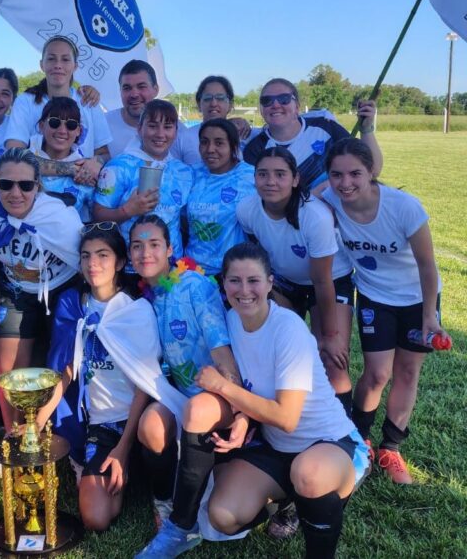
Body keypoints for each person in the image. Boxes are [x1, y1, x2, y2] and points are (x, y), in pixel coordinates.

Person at [140, 242, 370, 558]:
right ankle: (288, 501)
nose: (244, 290)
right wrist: (243, 417)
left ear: (270, 283)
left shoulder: (287, 329)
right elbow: (255, 386)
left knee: (309, 474)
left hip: (327, 442)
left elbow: (287, 418)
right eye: (235, 281)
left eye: (254, 281)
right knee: (222, 517)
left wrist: (224, 387)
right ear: (224, 284)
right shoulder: (232, 322)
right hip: (276, 449)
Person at [323, 138, 448, 484]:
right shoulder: (329, 198)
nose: (345, 183)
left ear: (371, 172)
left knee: (407, 373)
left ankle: (391, 448)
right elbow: (303, 199)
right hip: (376, 297)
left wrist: (429, 315)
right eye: (336, 174)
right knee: (377, 374)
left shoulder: (404, 206)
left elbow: (427, 265)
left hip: (417, 298)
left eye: (355, 174)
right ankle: (358, 439)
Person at [37, 224, 170, 531]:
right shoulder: (75, 304)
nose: (92, 263)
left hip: (134, 420)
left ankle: (139, 468)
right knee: (96, 519)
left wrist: (122, 450)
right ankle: (121, 477)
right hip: (102, 424)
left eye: (102, 255)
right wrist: (36, 422)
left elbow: (144, 386)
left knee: (141, 446)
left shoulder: (137, 311)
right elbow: (68, 370)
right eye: (85, 256)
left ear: (120, 262)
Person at [129, 215, 242, 540]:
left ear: (170, 249)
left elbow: (220, 348)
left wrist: (239, 408)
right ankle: (163, 500)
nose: (145, 253)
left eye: (153, 245)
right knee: (150, 426)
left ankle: (186, 515)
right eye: (137, 246)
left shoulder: (194, 285)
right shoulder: (148, 298)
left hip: (216, 397)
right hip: (178, 397)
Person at [0, 148, 83, 430]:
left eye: (26, 185)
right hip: (17, 290)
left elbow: (89, 260)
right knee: (7, 368)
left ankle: (52, 428)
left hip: (60, 289)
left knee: (60, 363)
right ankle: (12, 435)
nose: (15, 193)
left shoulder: (61, 220)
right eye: (6, 184)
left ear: (38, 187)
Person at [237, 146, 355, 413]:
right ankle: (293, 418)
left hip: (329, 283)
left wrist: (331, 334)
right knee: (284, 353)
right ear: (254, 178)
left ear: (295, 179)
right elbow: (259, 253)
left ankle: (349, 435)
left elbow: (322, 280)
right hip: (285, 283)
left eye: (280, 174)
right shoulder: (247, 209)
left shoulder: (314, 216)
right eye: (263, 174)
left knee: (331, 360)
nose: (270, 181)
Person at [93, 99, 192, 263]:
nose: (160, 134)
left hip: (172, 270)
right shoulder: (118, 167)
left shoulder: (184, 171)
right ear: (139, 129)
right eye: (152, 126)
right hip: (130, 267)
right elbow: (97, 215)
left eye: (167, 127)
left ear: (176, 131)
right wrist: (127, 211)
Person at [4, 35, 111, 185]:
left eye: (65, 59)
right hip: (33, 195)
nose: (58, 65)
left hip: (82, 192)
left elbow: (104, 153)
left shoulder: (88, 102)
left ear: (75, 66)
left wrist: (97, 163)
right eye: (51, 59)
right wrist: (70, 168)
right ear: (42, 65)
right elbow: (14, 153)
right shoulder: (26, 101)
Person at [243, 78, 382, 192]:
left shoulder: (326, 127)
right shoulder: (254, 151)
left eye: (284, 99)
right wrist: (317, 195)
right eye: (266, 101)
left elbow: (373, 170)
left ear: (297, 106)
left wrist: (366, 129)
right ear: (261, 110)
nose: (275, 105)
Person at [185, 118, 256, 279]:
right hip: (191, 271)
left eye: (219, 143)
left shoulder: (250, 176)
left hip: (233, 272)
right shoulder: (191, 173)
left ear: (233, 146)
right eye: (204, 142)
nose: (210, 149)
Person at [28, 97, 94, 221]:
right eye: (55, 122)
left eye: (71, 125)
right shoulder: (18, 158)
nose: (62, 131)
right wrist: (70, 169)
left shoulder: (87, 172)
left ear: (78, 131)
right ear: (42, 126)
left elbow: (98, 220)